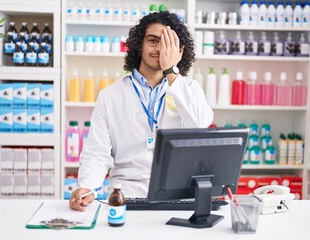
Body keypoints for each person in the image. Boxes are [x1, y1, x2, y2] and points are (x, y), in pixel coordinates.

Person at [70, 11, 213, 211]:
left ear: (179, 51)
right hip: (127, 198)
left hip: (178, 199)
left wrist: (171, 71)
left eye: (168, 43)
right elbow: (97, 152)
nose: (160, 49)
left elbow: (199, 124)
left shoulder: (189, 90)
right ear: (139, 44)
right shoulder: (110, 95)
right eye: (153, 40)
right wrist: (87, 187)